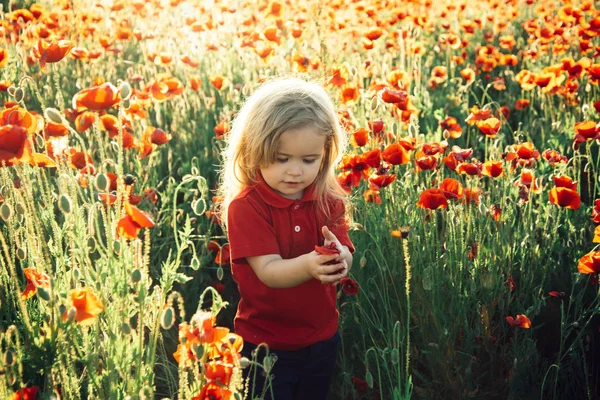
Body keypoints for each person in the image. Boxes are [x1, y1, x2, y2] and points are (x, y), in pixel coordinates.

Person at [217, 77, 355, 400]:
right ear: (255, 150)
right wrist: (310, 265)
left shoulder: (327, 198)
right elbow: (268, 270)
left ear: (326, 153)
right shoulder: (246, 207)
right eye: (282, 159)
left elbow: (346, 250)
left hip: (321, 338)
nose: (296, 172)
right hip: (265, 345)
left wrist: (340, 258)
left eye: (309, 160)